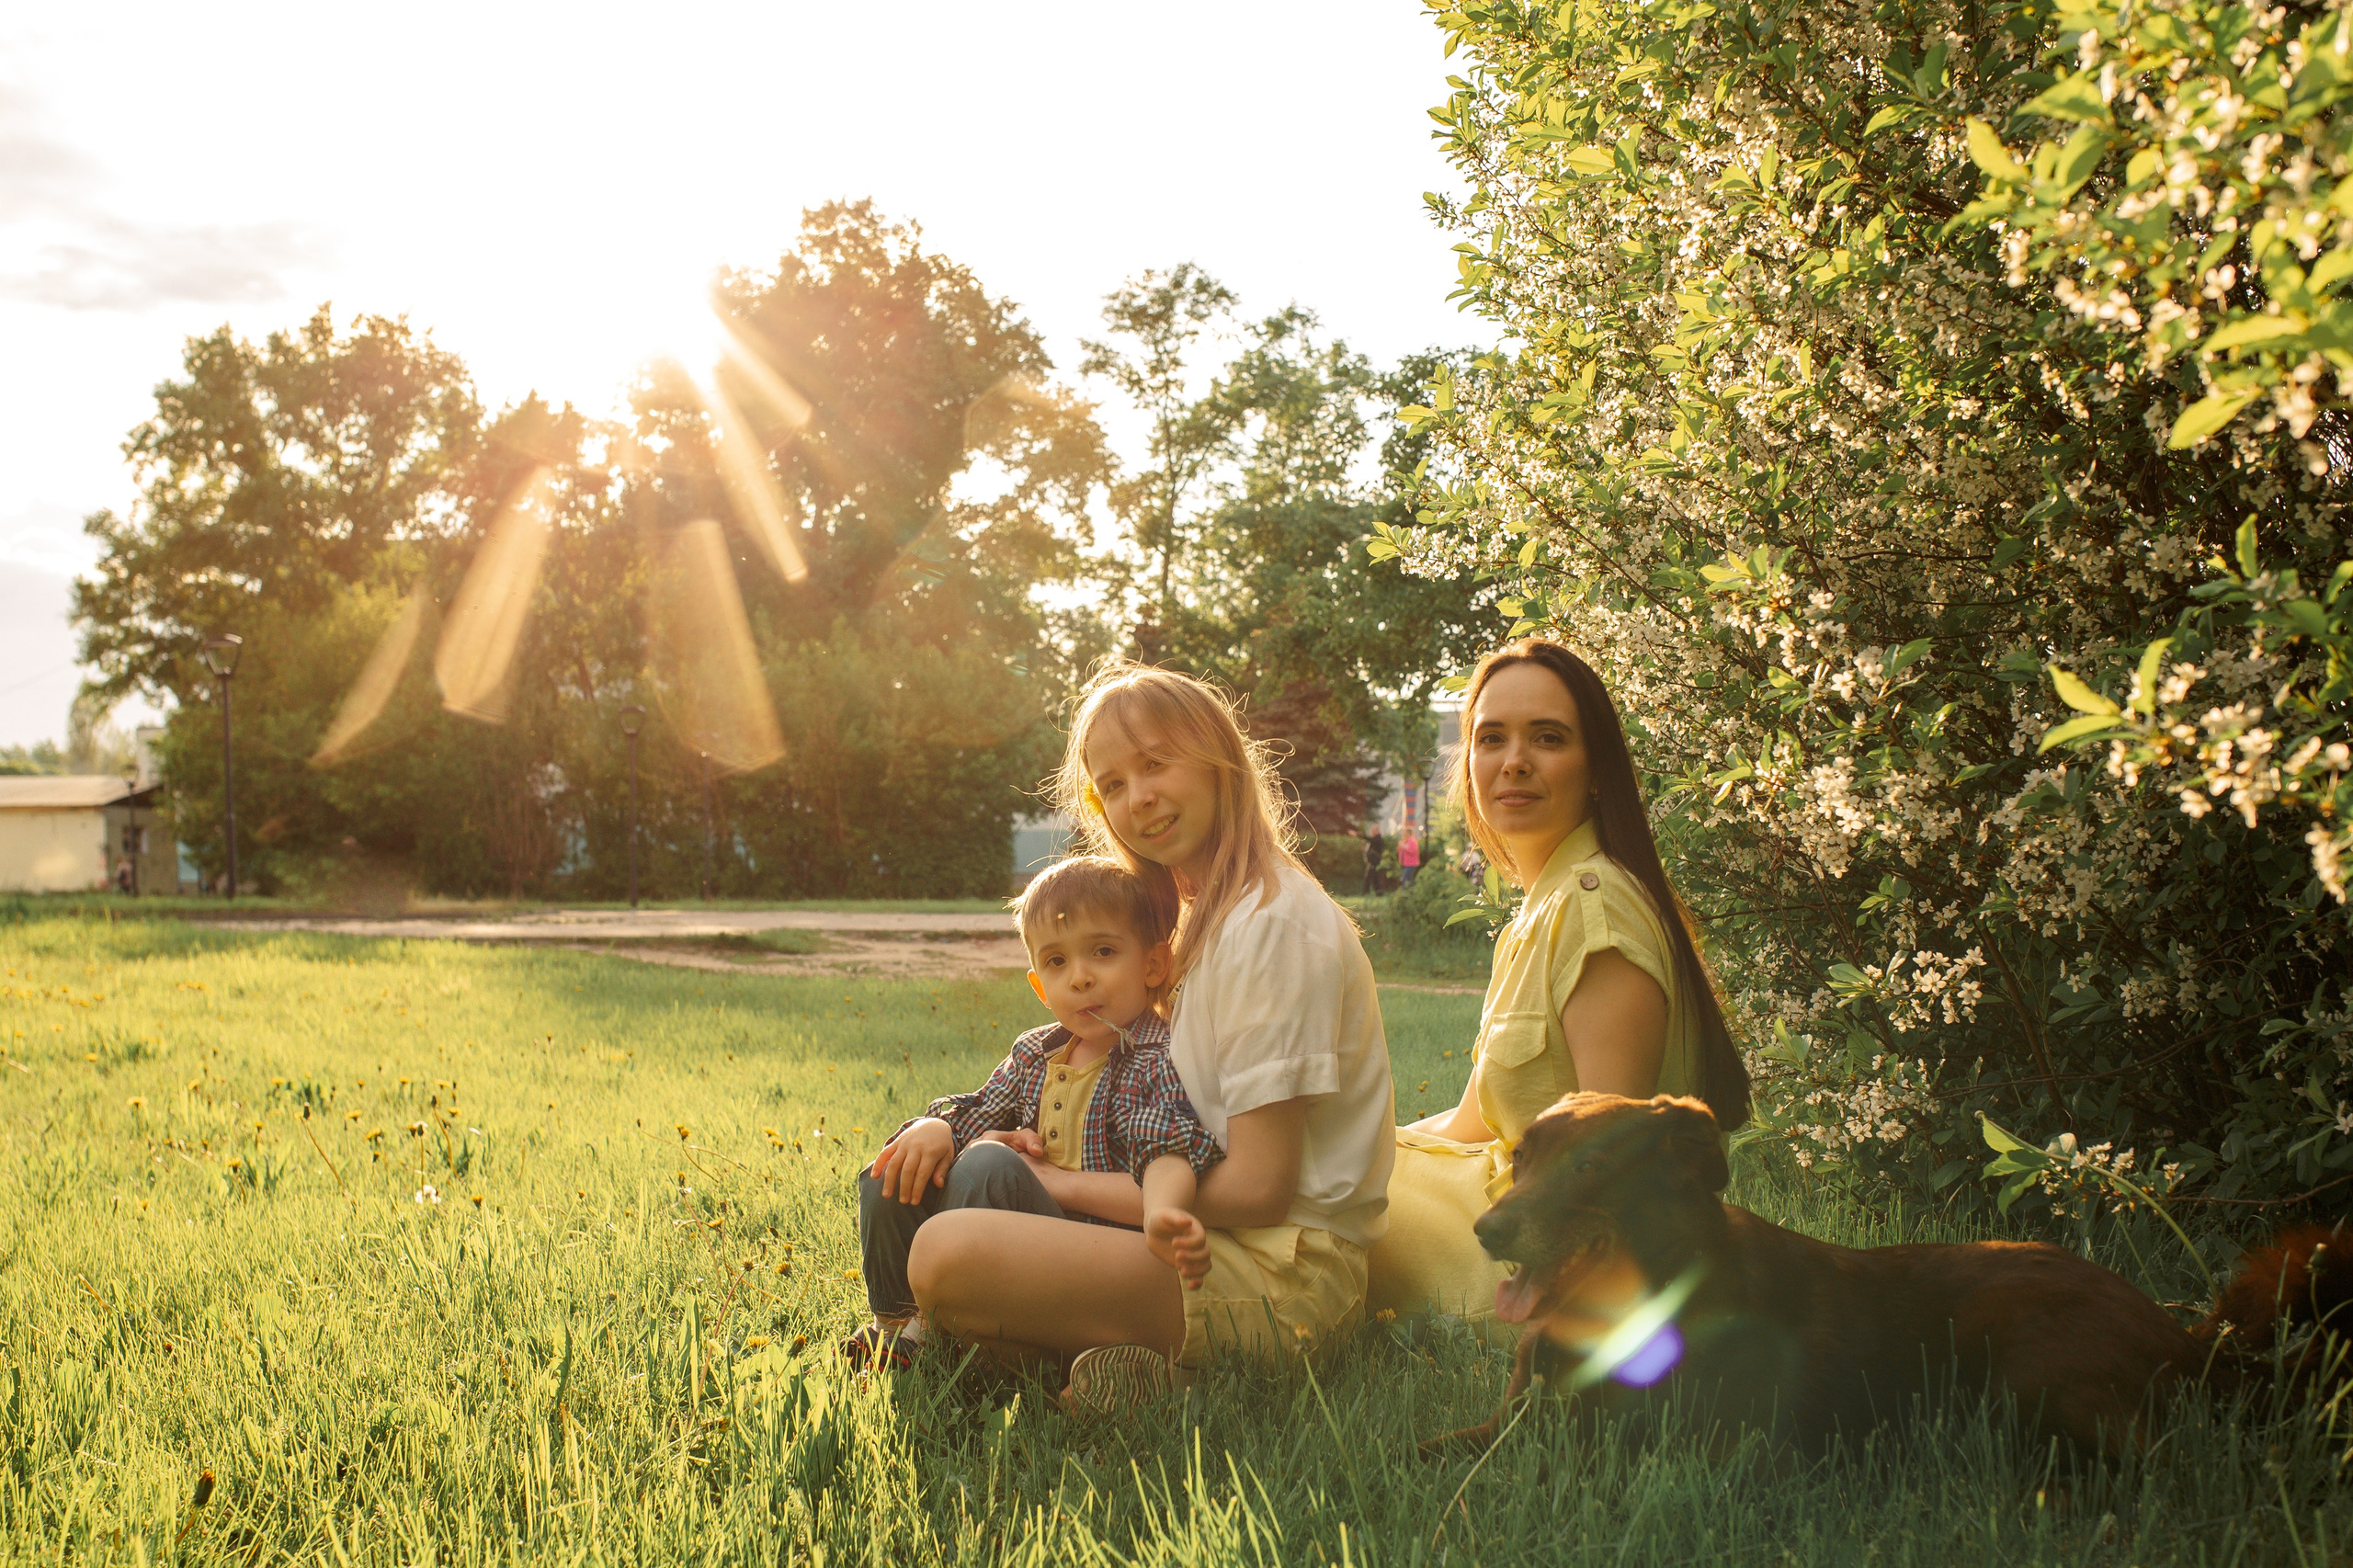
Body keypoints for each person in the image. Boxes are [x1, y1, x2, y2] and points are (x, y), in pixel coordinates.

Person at [905, 662, 1394, 1409]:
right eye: (1114, 784)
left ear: (1221, 759)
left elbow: (1263, 1189)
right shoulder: (1198, 917)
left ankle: (1196, 1386)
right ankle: (1130, 1374)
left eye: (1157, 763)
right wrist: (993, 1136)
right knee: (963, 1198)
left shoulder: (1274, 926)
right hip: (1199, 1244)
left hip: (1280, 1275)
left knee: (947, 1255)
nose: (1139, 798)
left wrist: (1054, 1185)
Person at [1366, 638, 1752, 1319]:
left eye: (1548, 738)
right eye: (1492, 739)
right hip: (1494, 1212)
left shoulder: (1595, 907)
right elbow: (1466, 1124)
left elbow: (1609, 1170)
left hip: (1531, 1252)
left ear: (1596, 767)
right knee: (1325, 1171)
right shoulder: (1543, 909)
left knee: (1315, 1200)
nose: (1514, 761)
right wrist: (1365, 1148)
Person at [850, 856, 1224, 1372]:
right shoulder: (1035, 1053)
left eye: (1104, 952)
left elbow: (1165, 1152)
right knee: (894, 1167)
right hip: (1001, 1250)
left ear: (1153, 965)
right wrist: (936, 1127)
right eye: (1056, 963)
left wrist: (1164, 1212)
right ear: (1038, 985)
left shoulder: (1152, 1059)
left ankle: (943, 1343)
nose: (1081, 978)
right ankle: (894, 1328)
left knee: (987, 1167)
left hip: (1074, 1268)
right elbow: (980, 1111)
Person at [1361, 825, 1387, 895]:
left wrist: (1358, 835)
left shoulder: (1378, 839)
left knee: (1369, 877)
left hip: (1374, 861)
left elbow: (1370, 840)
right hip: (1372, 861)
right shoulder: (1375, 839)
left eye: (1373, 831)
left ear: (1377, 831)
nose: (1371, 833)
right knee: (1375, 877)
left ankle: (1366, 892)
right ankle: (1378, 892)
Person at [1397, 824, 1422, 888]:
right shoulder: (1406, 841)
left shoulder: (1412, 841)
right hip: (1406, 863)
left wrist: (1403, 846)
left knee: (1405, 879)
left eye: (1405, 832)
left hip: (1411, 864)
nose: (1404, 834)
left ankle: (1405, 893)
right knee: (1410, 879)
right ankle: (1412, 892)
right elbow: (1400, 851)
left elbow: (1412, 851)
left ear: (1408, 833)